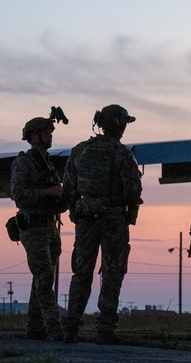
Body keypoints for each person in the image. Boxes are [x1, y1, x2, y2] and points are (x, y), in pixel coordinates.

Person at [61, 105, 142, 345]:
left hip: (85, 218)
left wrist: (78, 209)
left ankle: (71, 327)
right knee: (112, 272)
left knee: (81, 272)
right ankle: (105, 329)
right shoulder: (122, 153)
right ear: (119, 124)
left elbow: (68, 187)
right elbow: (133, 190)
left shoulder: (79, 151)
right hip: (113, 219)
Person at [10, 116, 67, 341]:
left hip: (49, 227)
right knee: (43, 277)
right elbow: (18, 195)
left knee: (43, 278)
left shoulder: (47, 163)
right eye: (46, 132)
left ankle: (35, 327)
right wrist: (48, 192)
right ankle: (54, 329)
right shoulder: (24, 163)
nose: (50, 136)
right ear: (34, 136)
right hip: (33, 227)